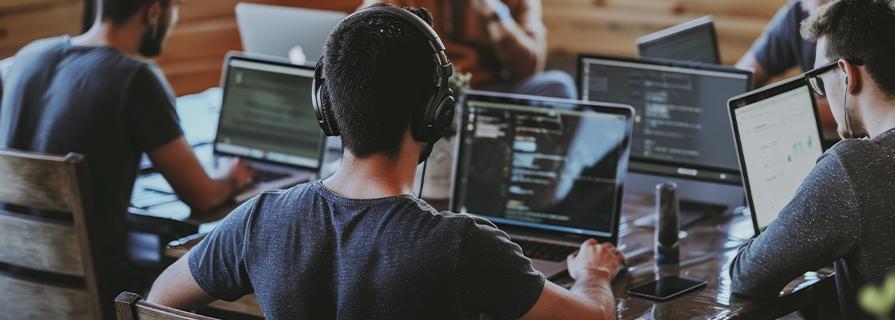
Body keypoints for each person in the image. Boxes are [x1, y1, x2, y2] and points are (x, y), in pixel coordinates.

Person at [147, 5, 624, 319]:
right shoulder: (461, 244)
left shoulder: (257, 220)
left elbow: (157, 303)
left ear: (327, 107)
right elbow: (594, 319)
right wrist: (594, 277)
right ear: (435, 113)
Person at [0, 0, 254, 315]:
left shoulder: (26, 58)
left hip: (12, 290)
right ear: (152, 12)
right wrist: (233, 176)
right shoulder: (135, 78)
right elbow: (201, 197)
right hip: (100, 295)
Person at [729, 0, 895, 318]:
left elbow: (747, 277)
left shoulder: (852, 168)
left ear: (847, 74)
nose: (822, 92)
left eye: (818, 81)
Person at [736, 0, 895, 139]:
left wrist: (772, 109)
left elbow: (884, 110)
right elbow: (743, 76)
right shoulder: (800, 11)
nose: (810, 11)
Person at [362, 0, 576, 99]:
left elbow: (530, 69)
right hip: (425, 93)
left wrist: (496, 14)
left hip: (490, 93)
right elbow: (360, 28)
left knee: (558, 86)